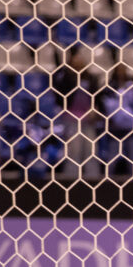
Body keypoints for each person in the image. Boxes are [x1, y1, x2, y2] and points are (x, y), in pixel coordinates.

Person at [51, 46, 100, 177]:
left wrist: (95, 109)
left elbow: (97, 98)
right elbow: (58, 75)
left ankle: (93, 179)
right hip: (71, 118)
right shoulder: (68, 78)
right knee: (74, 151)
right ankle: (71, 178)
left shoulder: (91, 78)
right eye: (75, 59)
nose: (78, 61)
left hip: (88, 119)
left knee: (91, 151)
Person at [99, 64, 133, 176]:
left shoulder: (132, 86)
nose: (121, 72)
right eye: (119, 70)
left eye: (123, 69)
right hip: (114, 126)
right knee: (112, 156)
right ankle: (107, 181)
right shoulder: (109, 87)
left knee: (132, 156)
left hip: (129, 126)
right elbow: (104, 103)